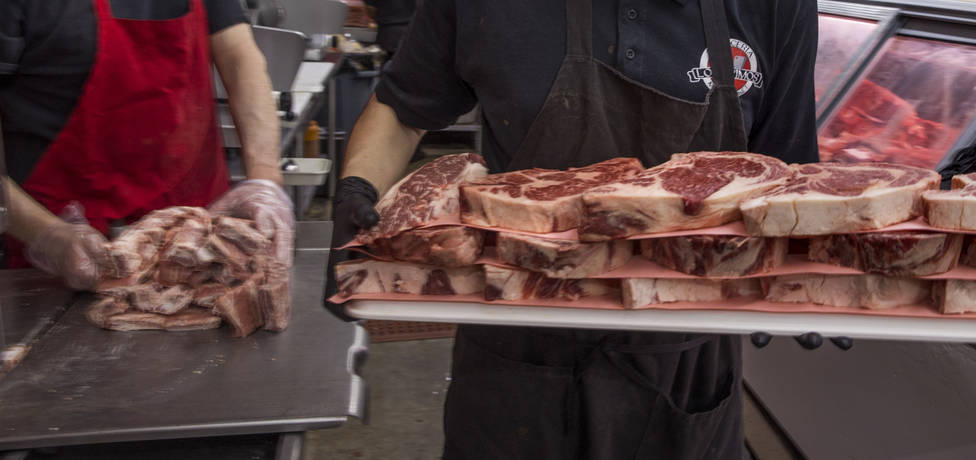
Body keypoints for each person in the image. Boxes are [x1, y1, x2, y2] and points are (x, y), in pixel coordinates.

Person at [328, 0, 818, 458]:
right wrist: (356, 185)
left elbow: (787, 170)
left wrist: (822, 267)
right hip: (514, 336)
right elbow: (402, 110)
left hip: (685, 354)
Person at [1, 0, 294, 287]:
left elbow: (240, 59)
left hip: (194, 249)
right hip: (55, 262)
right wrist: (48, 236)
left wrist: (264, 180)